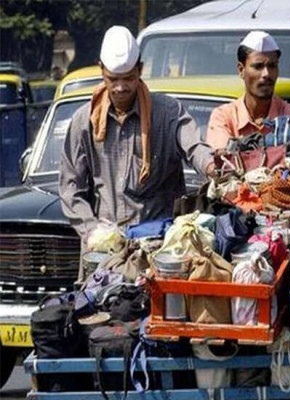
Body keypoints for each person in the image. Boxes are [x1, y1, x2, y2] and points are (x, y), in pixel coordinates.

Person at [59, 26, 214, 278]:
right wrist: (92, 231)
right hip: (104, 255)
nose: (120, 87)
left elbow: (195, 147)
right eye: (113, 79)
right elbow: (70, 187)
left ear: (140, 70)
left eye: (128, 78)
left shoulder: (167, 113)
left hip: (158, 251)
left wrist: (212, 166)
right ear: (102, 71)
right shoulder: (83, 121)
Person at [206, 31, 290, 149]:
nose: (266, 74)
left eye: (272, 66)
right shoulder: (224, 117)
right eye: (258, 67)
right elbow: (224, 161)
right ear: (241, 70)